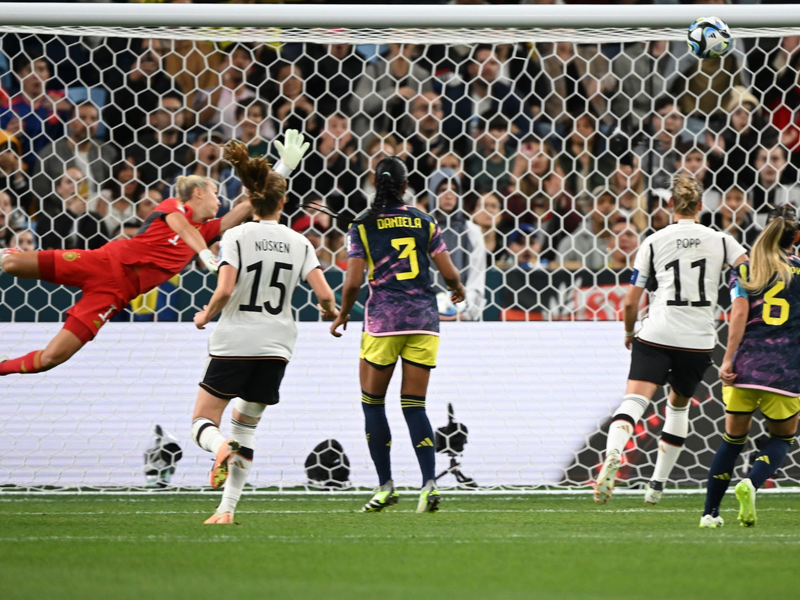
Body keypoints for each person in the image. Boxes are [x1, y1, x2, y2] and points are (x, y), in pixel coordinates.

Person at [0, 130, 309, 376]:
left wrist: (284, 168)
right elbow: (183, 229)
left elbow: (249, 206)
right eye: (215, 193)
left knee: (53, 357)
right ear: (197, 193)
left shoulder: (207, 231)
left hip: (114, 294)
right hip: (100, 262)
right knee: (12, 262)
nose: (219, 201)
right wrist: (205, 255)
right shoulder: (171, 205)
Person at [190, 141, 336, 525]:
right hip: (277, 345)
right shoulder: (301, 241)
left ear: (250, 203)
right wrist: (332, 313)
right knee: (247, 427)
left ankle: (219, 447)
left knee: (203, 422)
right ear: (282, 204)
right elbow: (324, 294)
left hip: (235, 340)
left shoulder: (236, 238)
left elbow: (224, 289)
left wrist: (206, 314)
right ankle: (226, 510)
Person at [594, 174, 748, 506]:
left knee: (634, 402)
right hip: (698, 339)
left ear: (669, 205)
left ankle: (614, 453)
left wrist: (627, 333)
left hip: (657, 332)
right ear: (701, 206)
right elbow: (748, 272)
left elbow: (631, 301)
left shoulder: (653, 240)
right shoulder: (722, 241)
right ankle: (656, 487)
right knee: (678, 408)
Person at [329, 156, 466, 514]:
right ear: (405, 186)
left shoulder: (362, 224)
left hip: (384, 322)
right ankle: (429, 484)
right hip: (424, 320)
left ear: (376, 185)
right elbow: (448, 271)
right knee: (414, 405)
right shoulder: (424, 219)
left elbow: (353, 281)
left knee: (373, 403)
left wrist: (343, 313)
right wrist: (457, 289)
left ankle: (385, 486)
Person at [701, 206, 800, 528]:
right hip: (786, 369)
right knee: (782, 438)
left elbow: (739, 315)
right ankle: (752, 483)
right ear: (796, 237)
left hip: (745, 366)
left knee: (732, 440)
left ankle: (709, 514)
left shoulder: (745, 270)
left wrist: (728, 359)